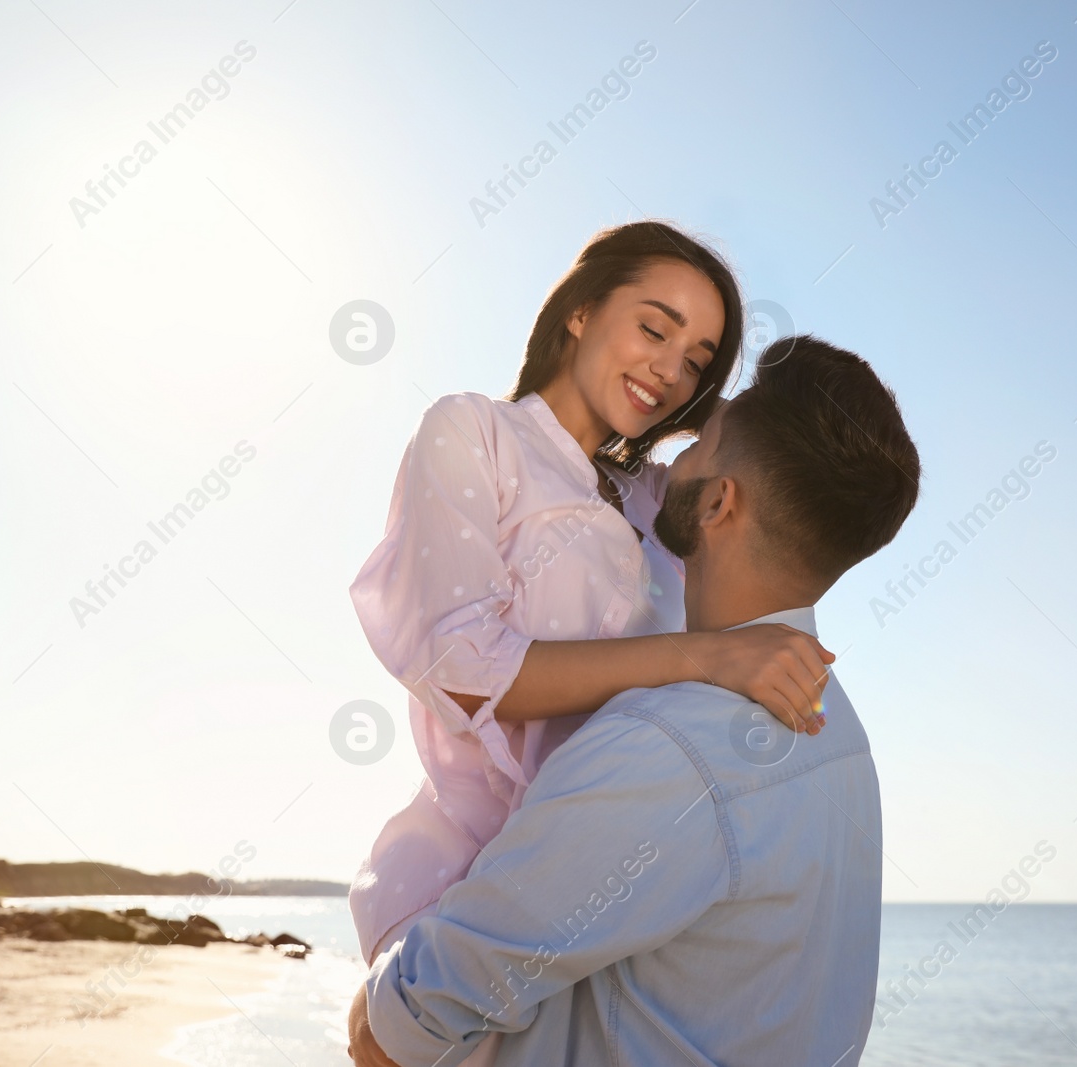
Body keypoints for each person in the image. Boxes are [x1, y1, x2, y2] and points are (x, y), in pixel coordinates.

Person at [348, 335, 922, 1066]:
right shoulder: (841, 734)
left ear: (718, 501)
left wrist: (371, 1000)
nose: (671, 461)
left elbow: (403, 1027)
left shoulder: (664, 745)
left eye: (700, 443)